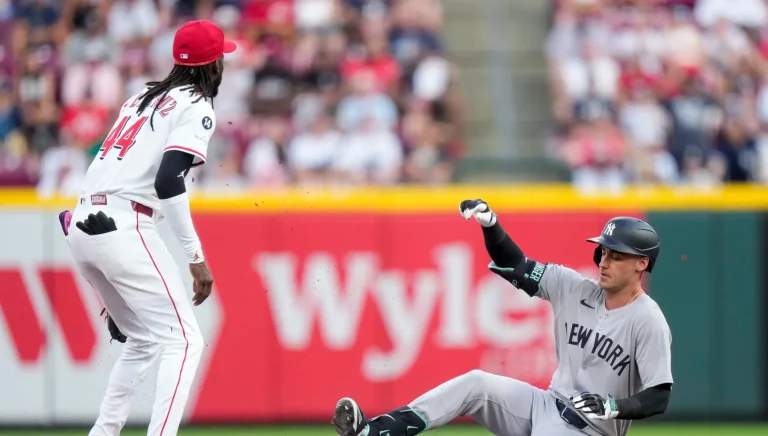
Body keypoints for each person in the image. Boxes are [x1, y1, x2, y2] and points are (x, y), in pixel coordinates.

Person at [332, 199, 673, 436]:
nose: (604, 260)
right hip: (544, 405)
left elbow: (659, 396)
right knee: (477, 383)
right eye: (603, 251)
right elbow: (517, 267)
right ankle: (375, 431)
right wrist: (491, 226)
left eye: (616, 255)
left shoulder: (648, 320)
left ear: (641, 264)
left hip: (592, 430)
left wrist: (613, 405)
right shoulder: (574, 287)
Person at [59, 19, 236, 436]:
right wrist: (196, 258)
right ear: (213, 66)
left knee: (141, 339)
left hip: (83, 222)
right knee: (185, 341)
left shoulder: (143, 94)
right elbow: (167, 180)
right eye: (221, 59)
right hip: (122, 224)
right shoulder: (197, 104)